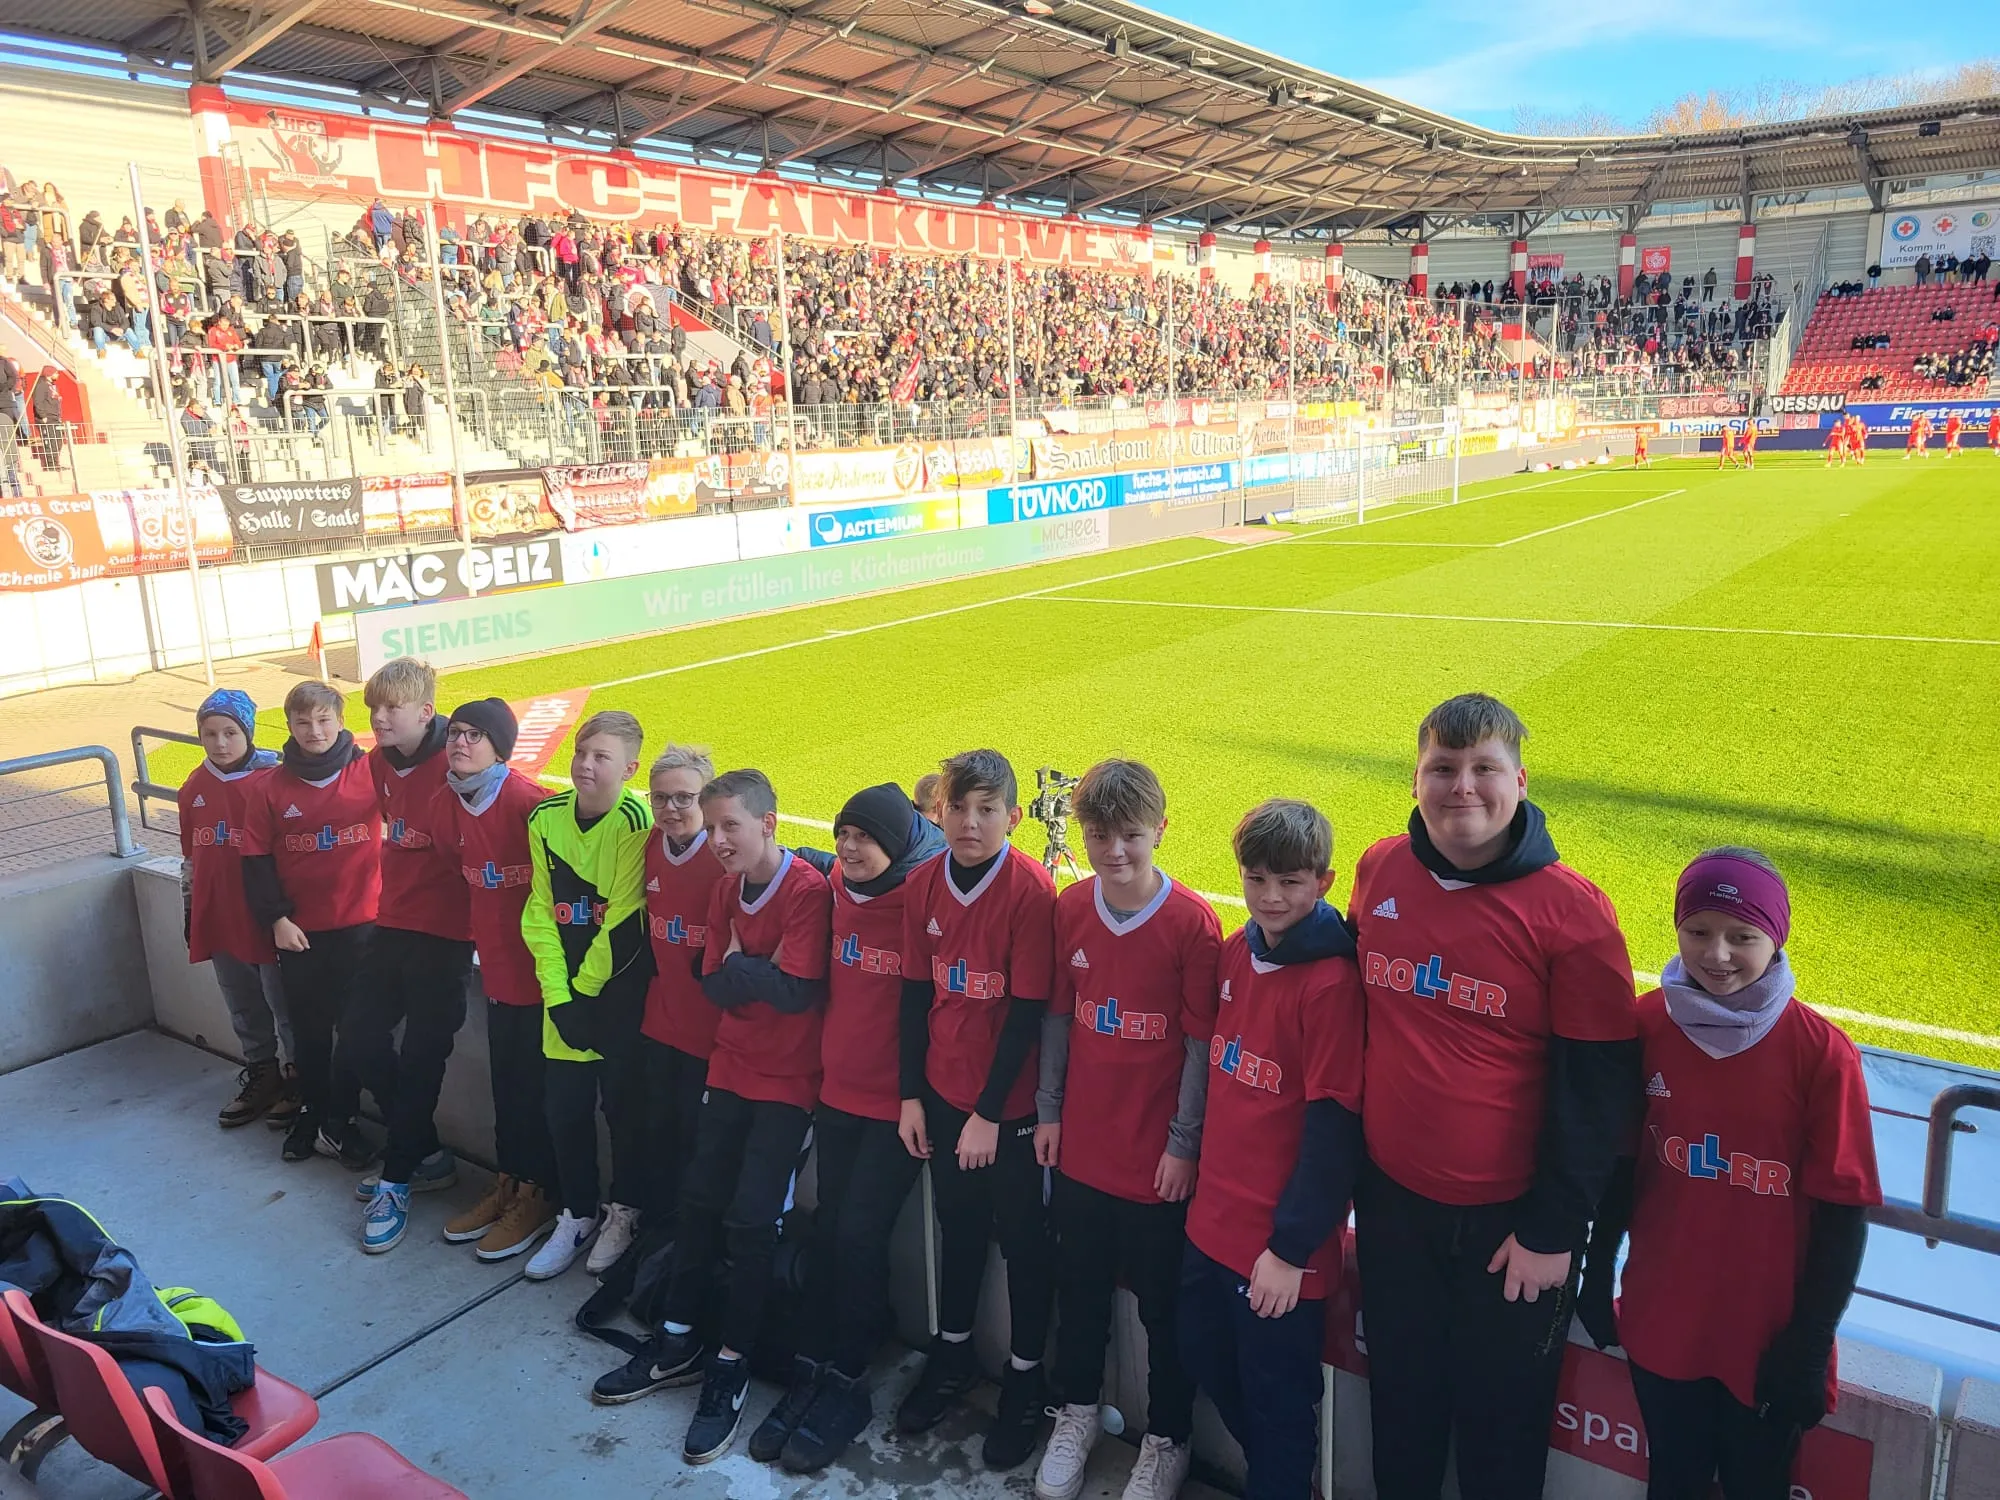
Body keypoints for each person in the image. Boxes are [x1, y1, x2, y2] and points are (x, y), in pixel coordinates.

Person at [1347, 693, 1639, 1500]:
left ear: (1520, 779)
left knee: (1500, 1438)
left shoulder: (1573, 914)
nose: (1462, 788)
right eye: (1443, 768)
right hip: (1394, 1207)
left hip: (1513, 1230)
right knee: (1400, 1412)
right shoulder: (1379, 870)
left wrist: (1555, 1229)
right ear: (1415, 777)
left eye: (1484, 769)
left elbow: (1598, 1093)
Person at [1578, 850, 1880, 1500]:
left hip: (1767, 1339)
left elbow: (1844, 1214)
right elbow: (1621, 1168)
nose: (1717, 954)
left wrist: (1808, 1342)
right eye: (1698, 932)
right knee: (1674, 1480)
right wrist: (1596, 1269)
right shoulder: (1646, 1023)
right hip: (1664, 1319)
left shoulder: (1822, 1055)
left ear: (1776, 938)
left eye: (1742, 936)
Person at [594, 769, 832, 1469]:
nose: (721, 840)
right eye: (714, 825)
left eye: (733, 826)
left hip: (788, 1082)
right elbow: (711, 978)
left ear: (770, 825)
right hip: (728, 1066)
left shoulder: (807, 892)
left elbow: (796, 991)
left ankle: (729, 1366)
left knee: (754, 1220)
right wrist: (754, 969)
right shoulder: (725, 889)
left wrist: (745, 968)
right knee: (699, 1203)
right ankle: (675, 1341)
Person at [1034, 761, 1221, 1500]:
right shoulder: (1072, 907)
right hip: (1081, 1151)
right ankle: (1077, 1412)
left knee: (1164, 1310)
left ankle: (1166, 1439)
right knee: (1077, 1294)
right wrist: (1049, 1111)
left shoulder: (1191, 923)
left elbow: (1202, 1048)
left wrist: (1182, 1143)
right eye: (1101, 835)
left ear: (1162, 831)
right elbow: (1057, 1015)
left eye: (1131, 836)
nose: (1115, 851)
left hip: (1156, 1166)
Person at [751, 784, 944, 1472]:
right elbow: (781, 865)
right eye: (844, 835)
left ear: (896, 844)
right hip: (836, 1096)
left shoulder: (923, 901)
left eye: (866, 837)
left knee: (861, 1234)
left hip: (899, 1108)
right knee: (832, 1227)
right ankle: (817, 1364)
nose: (851, 848)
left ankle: (850, 1379)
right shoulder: (832, 887)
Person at [1178, 798, 1364, 1500]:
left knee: (1279, 1402)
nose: (1271, 897)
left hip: (1277, 1248)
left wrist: (1290, 1249)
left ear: (1324, 881)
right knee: (1200, 1349)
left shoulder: (1330, 986)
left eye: (1290, 881)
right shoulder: (1236, 950)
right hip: (1211, 1221)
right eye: (1257, 880)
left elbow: (1333, 1129)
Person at [895, 749, 1058, 1469]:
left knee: (1024, 1242)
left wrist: (992, 1114)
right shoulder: (924, 883)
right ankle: (952, 1353)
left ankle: (1026, 1380)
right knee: (956, 1227)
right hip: (942, 1093)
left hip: (1009, 1109)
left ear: (1013, 818)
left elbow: (1026, 1012)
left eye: (987, 809)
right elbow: (912, 996)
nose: (970, 822)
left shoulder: (1030, 889)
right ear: (938, 810)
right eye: (958, 808)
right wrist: (911, 1096)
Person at [331, 660, 477, 1250]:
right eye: (373, 708)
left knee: (422, 1058)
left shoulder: (459, 761)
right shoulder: (376, 763)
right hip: (391, 925)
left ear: (426, 712)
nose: (378, 719)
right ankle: (427, 1153)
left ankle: (396, 1180)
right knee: (360, 1036)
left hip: (448, 936)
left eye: (391, 708)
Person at [427, 699, 562, 1262]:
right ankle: (511, 1182)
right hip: (499, 979)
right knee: (506, 1091)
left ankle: (542, 1197)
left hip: (548, 986)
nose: (461, 743)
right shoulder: (446, 805)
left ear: (500, 746)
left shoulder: (533, 805)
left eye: (475, 735)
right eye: (455, 733)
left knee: (541, 1097)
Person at [521, 710, 655, 1280]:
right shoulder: (545, 817)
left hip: (618, 999)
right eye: (581, 752)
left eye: (602, 756)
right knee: (565, 1111)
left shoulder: (635, 819)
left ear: (630, 768)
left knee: (625, 1114)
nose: (585, 764)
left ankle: (623, 1213)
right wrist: (560, 997)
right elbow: (539, 912)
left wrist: (584, 991)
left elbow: (625, 915)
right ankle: (575, 1215)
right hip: (565, 1003)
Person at [238, 681, 381, 1166]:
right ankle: (314, 1114)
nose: (314, 730)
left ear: (341, 722)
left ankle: (344, 1120)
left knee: (358, 1032)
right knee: (310, 1032)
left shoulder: (372, 772)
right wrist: (276, 918)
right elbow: (254, 860)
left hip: (365, 928)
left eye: (323, 720)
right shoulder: (268, 787)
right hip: (299, 934)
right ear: (290, 726)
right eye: (303, 722)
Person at [179, 688, 298, 1130]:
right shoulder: (193, 787)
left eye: (230, 732)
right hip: (219, 915)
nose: (220, 743)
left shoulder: (272, 780)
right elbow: (191, 858)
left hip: (266, 917)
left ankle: (297, 1078)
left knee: (284, 1003)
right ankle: (262, 1072)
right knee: (243, 1002)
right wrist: (190, 909)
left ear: (247, 732)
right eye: (210, 733)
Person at [627, 745, 727, 1255]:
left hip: (714, 1041)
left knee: (697, 1144)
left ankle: (690, 1246)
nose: (670, 809)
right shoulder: (645, 846)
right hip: (659, 1025)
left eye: (684, 798)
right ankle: (655, 1235)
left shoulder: (726, 858)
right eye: (660, 797)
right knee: (656, 1135)